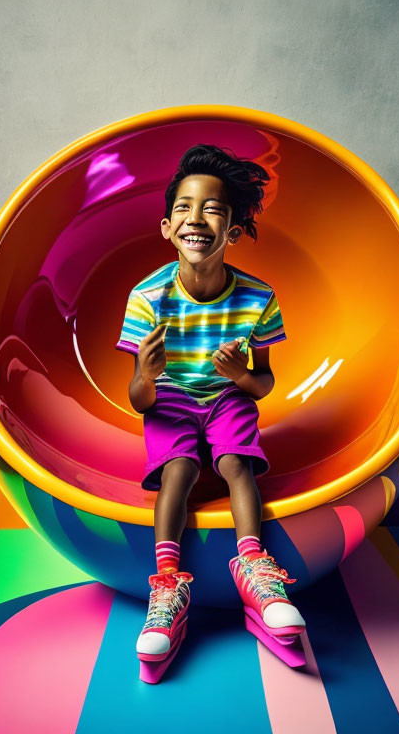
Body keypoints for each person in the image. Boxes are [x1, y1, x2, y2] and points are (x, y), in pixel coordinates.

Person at [116, 144, 306, 683]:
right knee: (178, 470)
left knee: (235, 465)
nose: (196, 218)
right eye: (184, 208)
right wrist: (147, 376)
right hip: (171, 396)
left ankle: (256, 570)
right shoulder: (147, 298)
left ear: (234, 230)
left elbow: (264, 383)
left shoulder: (258, 296)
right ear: (166, 227)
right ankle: (169, 586)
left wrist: (239, 377)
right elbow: (139, 400)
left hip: (227, 395)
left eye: (213, 209)